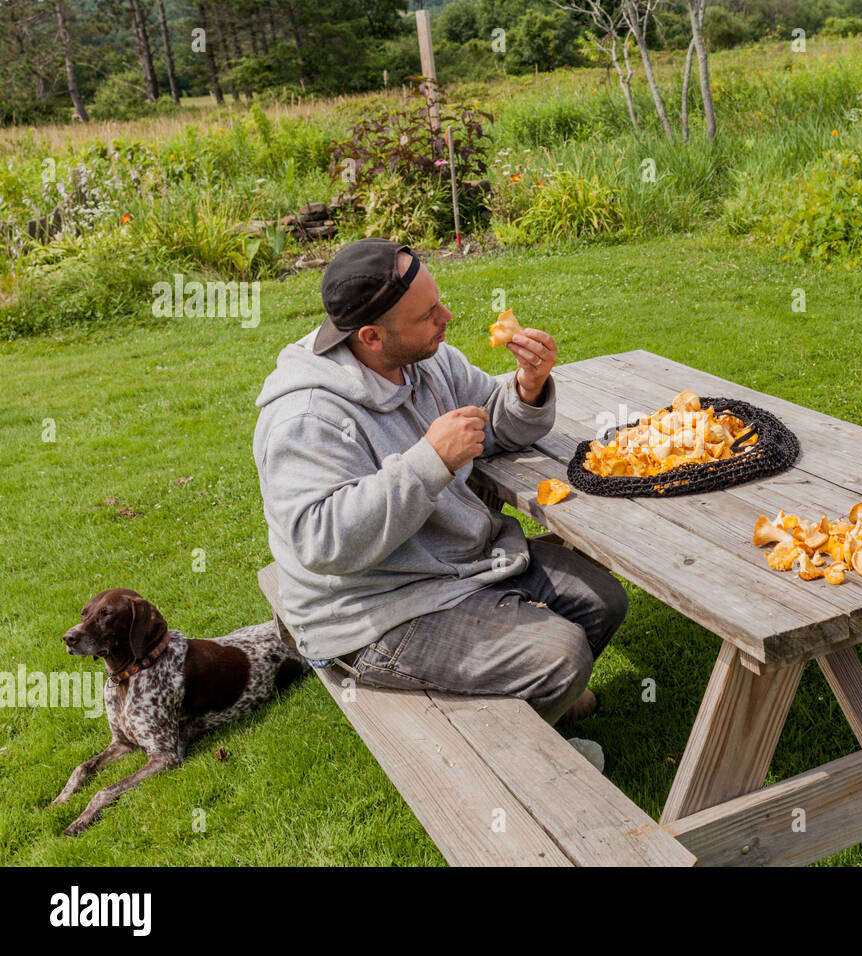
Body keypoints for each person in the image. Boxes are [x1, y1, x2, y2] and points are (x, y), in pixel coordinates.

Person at [252, 238, 626, 725]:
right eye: (428, 314)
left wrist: (526, 388)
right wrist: (429, 462)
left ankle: (535, 706)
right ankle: (513, 750)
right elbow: (323, 544)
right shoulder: (306, 418)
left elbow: (492, 423)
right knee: (561, 654)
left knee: (602, 600)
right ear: (371, 337)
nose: (446, 316)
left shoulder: (427, 361)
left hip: (455, 565)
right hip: (372, 611)